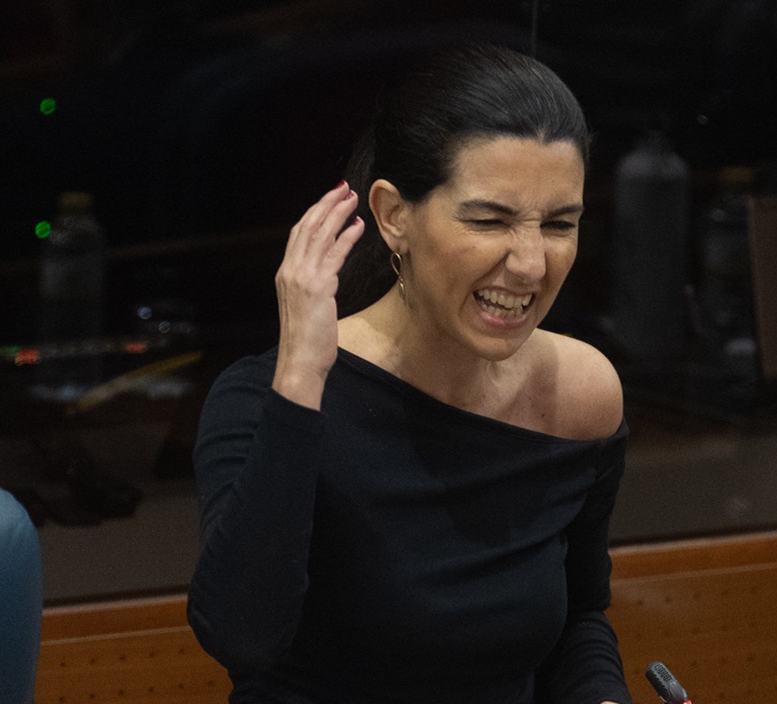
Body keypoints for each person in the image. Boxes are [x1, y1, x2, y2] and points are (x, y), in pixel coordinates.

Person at [188, 44, 631, 703]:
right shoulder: (266, 397)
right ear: (394, 216)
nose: (533, 265)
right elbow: (242, 638)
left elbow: (578, 617)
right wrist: (302, 385)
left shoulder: (580, 394)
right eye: (490, 220)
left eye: (560, 224)